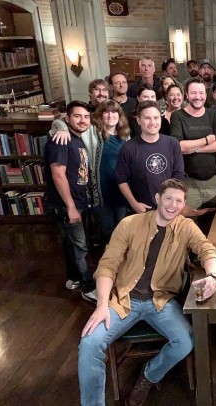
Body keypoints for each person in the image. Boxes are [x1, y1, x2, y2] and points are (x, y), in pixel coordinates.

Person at [78, 178, 216, 406]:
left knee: (185, 342)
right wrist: (102, 304)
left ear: (184, 204)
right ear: (157, 198)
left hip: (161, 301)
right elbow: (107, 265)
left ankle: (149, 375)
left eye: (179, 201)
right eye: (168, 199)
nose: (173, 205)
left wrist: (212, 275)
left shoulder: (186, 227)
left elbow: (208, 250)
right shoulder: (130, 224)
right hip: (123, 300)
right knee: (89, 343)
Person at [50, 99, 131, 246]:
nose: (110, 115)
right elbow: (60, 121)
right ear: (100, 115)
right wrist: (61, 128)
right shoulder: (91, 132)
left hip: (121, 192)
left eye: (114, 112)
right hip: (100, 194)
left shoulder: (125, 135)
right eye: (106, 112)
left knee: (123, 231)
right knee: (107, 232)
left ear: (120, 115)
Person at [44, 100, 97, 302]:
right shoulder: (61, 141)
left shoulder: (76, 138)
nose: (82, 120)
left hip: (78, 200)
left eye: (86, 117)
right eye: (77, 116)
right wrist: (71, 207)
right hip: (66, 204)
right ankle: (87, 286)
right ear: (67, 118)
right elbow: (58, 175)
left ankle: (74, 277)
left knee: (71, 242)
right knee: (80, 246)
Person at [115, 100, 185, 213]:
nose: (152, 122)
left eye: (156, 118)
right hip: (142, 209)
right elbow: (121, 179)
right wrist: (134, 204)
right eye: (147, 118)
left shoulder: (172, 143)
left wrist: (173, 203)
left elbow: (178, 176)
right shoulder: (128, 147)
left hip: (169, 208)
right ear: (138, 120)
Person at [170, 78, 216, 211]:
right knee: (188, 220)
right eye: (193, 93)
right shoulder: (177, 116)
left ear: (206, 95)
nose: (197, 97)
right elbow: (178, 147)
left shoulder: (214, 114)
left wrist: (195, 149)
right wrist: (206, 140)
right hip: (189, 183)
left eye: (201, 93)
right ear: (187, 95)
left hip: (214, 182)